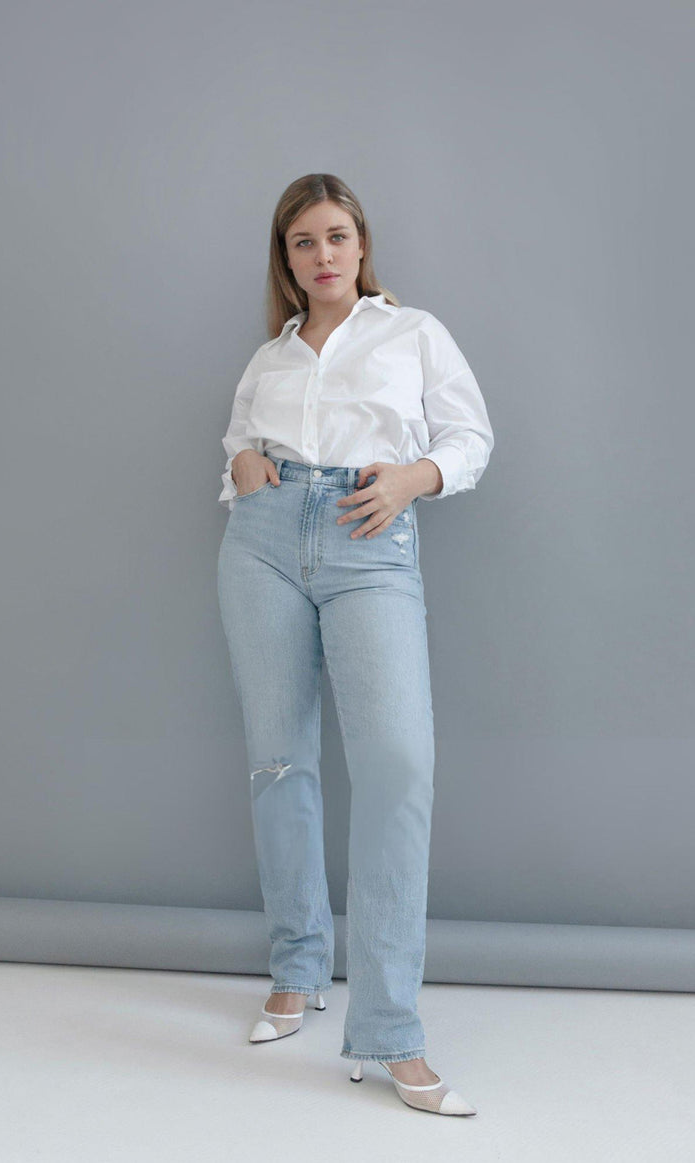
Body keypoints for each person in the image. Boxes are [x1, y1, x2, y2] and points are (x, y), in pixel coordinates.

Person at [216, 173, 494, 1116]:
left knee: (398, 764)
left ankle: (389, 1029)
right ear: (286, 261)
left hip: (369, 537)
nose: (323, 254)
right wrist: (243, 465)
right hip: (261, 545)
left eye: (336, 236)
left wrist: (413, 477)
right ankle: (295, 969)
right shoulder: (272, 355)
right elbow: (236, 450)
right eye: (303, 242)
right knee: (278, 759)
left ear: (362, 245)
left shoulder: (413, 333)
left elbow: (471, 437)